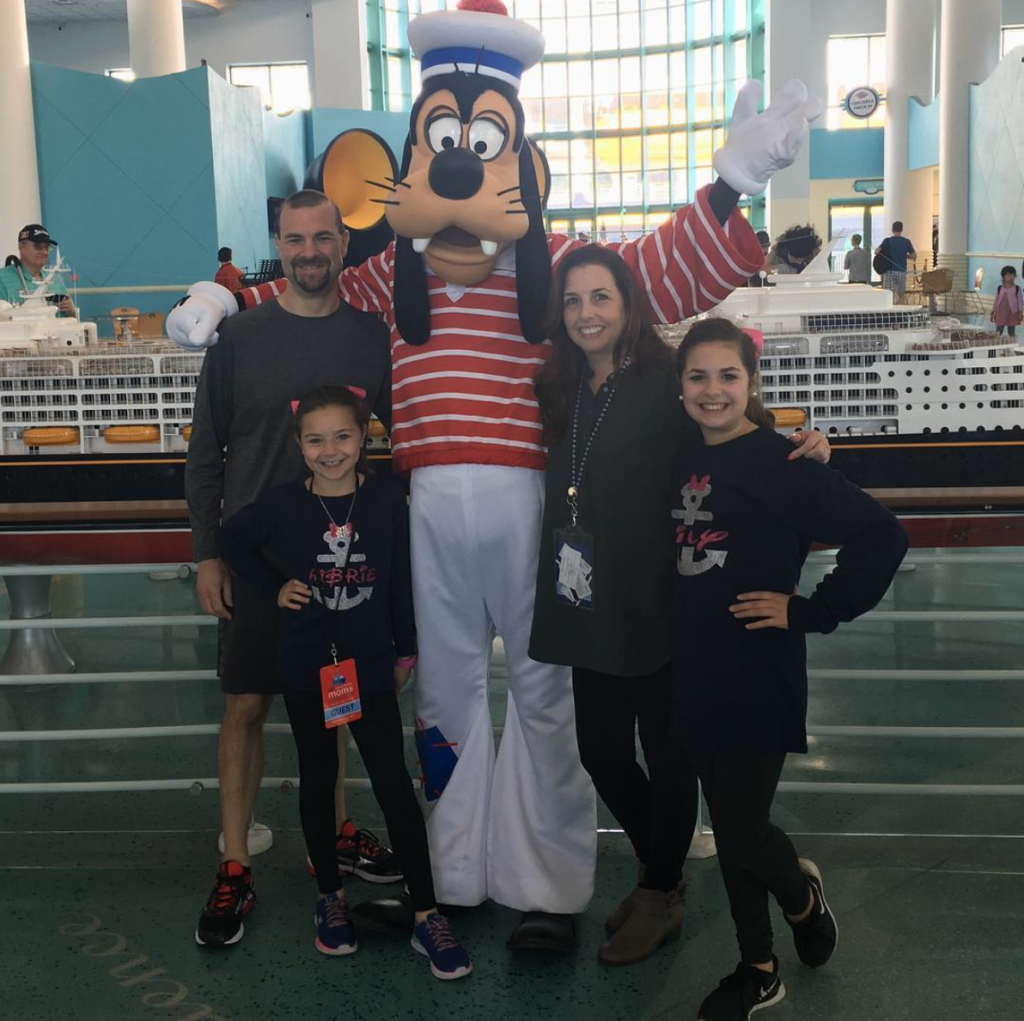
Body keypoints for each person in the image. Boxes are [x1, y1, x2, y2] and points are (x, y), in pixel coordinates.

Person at [166, 0, 823, 952]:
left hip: (532, 506)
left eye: (481, 145)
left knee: (546, 693)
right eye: (442, 143)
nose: (461, 171)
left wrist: (729, 186)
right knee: (444, 696)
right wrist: (221, 295)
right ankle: (454, 870)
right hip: (426, 507)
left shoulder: (552, 268)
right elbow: (305, 287)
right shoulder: (386, 274)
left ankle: (547, 883)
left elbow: (651, 275)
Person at [529, 247, 832, 967]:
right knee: (602, 753)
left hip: (665, 601)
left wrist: (806, 447)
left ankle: (660, 890)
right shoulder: (560, 383)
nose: (586, 314)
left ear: (628, 303)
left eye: (600, 297)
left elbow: (732, 425)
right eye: (572, 300)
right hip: (587, 597)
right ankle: (662, 864)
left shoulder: (665, 379)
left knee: (667, 757)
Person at [671, 318, 908, 1021]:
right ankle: (759, 966)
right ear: (679, 387)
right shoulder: (679, 454)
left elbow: (883, 535)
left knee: (743, 828)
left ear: (752, 382)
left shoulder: (787, 464)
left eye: (728, 375)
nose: (712, 390)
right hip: (692, 666)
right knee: (730, 822)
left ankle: (801, 899)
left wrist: (812, 610)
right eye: (697, 376)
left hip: (758, 670)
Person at [186, 190, 398, 949]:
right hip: (253, 558)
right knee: (245, 704)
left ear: (344, 243)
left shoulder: (371, 336)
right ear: (279, 244)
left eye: (322, 237)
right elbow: (204, 453)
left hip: (337, 558)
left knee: (331, 701)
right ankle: (236, 861)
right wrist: (208, 552)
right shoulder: (240, 337)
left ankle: (329, 835)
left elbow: (403, 441)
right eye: (294, 239)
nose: (309, 251)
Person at [219, 386, 471, 978]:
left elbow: (403, 578)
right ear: (298, 445)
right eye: (315, 440)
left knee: (392, 782)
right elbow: (233, 541)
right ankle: (329, 897)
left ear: (363, 438)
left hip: (369, 662)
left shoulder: (386, 500)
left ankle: (426, 911)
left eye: (342, 436)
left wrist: (406, 650)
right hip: (308, 663)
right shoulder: (281, 506)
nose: (329, 450)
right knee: (318, 776)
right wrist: (273, 586)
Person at [0, 224, 75, 315]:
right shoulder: (2, 279)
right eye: (38, 247)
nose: (44, 252)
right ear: (21, 246)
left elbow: (72, 318)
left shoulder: (54, 279)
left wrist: (72, 311)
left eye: (47, 247)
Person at [875, 221, 916, 299]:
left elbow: (877, 251)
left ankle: (892, 307)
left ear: (892, 229)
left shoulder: (887, 241)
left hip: (890, 271)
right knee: (901, 295)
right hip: (902, 271)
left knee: (889, 295)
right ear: (901, 229)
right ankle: (901, 306)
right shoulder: (906, 241)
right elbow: (914, 256)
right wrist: (905, 256)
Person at [990, 265, 1022, 337]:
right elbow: (996, 301)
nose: (1011, 277)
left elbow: (1020, 301)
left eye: (1013, 275)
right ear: (1003, 277)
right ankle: (995, 342)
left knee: (1011, 331)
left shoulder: (1017, 288)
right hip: (1001, 312)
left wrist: (1020, 312)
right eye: (1008, 275)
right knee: (999, 331)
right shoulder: (1000, 288)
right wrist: (993, 311)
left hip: (1012, 313)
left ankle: (1012, 343)